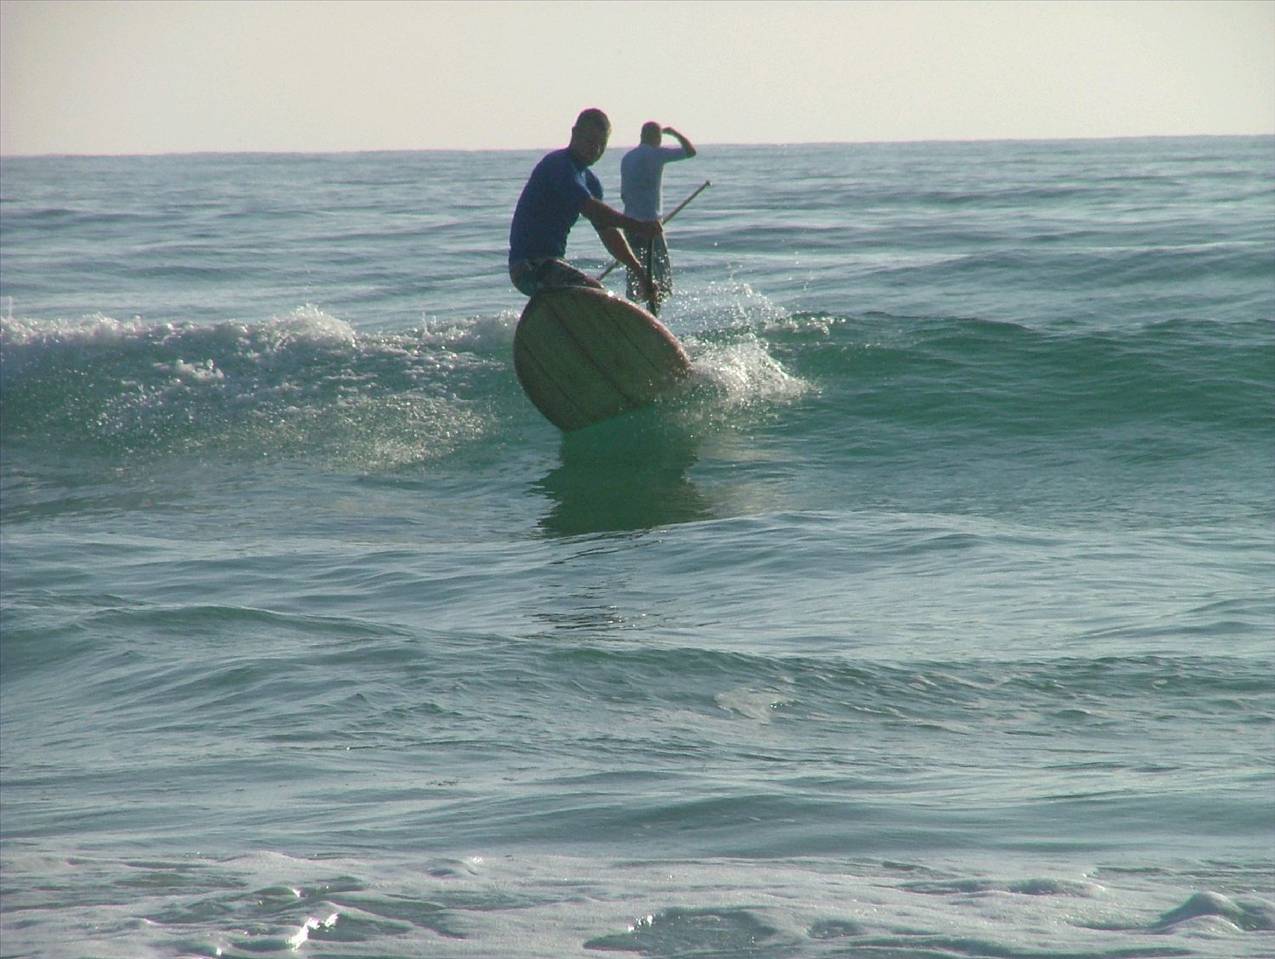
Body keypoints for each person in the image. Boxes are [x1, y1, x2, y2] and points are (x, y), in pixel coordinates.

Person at [509, 108, 661, 308]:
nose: (595, 149)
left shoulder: (591, 183)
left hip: (553, 265)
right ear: (575, 134)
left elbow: (609, 233)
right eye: (590, 142)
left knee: (591, 295)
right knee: (598, 296)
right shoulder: (559, 165)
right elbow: (592, 209)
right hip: (529, 266)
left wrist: (640, 273)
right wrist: (639, 226)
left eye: (601, 145)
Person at [620, 123, 696, 314]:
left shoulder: (627, 157)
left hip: (629, 223)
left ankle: (634, 312)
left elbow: (623, 194)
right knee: (660, 276)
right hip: (650, 225)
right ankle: (654, 314)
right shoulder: (657, 154)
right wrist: (676, 133)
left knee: (635, 271)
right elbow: (690, 152)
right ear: (657, 138)